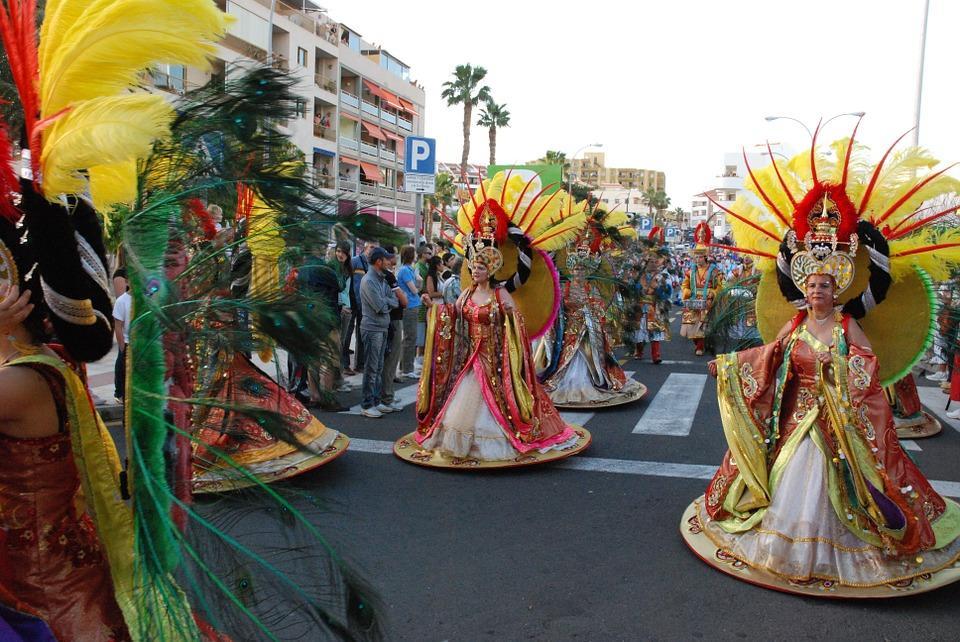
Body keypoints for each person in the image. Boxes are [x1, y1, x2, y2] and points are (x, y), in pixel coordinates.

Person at [684, 125, 960, 596]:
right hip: (796, 419)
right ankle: (786, 546)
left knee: (844, 485)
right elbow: (771, 354)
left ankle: (842, 552)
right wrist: (728, 366)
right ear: (804, 291)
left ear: (837, 291)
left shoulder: (848, 324)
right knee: (789, 477)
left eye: (825, 287)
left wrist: (839, 377)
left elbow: (866, 369)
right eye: (811, 286)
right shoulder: (795, 325)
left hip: (838, 423)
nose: (817, 292)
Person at [359, 246, 401, 418]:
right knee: (372, 367)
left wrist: (387, 301)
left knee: (379, 367)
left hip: (382, 328)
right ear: (378, 261)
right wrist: (387, 301)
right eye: (386, 259)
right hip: (372, 328)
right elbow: (380, 306)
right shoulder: (369, 280)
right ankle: (367, 404)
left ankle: (376, 401)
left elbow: (395, 301)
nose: (389, 262)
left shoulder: (381, 280)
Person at [681, 224, 722, 356]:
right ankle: (698, 343)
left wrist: (713, 292)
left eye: (699, 256)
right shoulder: (690, 272)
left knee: (703, 326)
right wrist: (686, 292)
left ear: (705, 257)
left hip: (706, 302)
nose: (697, 259)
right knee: (691, 327)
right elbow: (684, 286)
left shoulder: (714, 271)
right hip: (693, 301)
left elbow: (720, 286)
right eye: (695, 257)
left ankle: (700, 346)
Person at [379, 245, 408, 411]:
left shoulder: (380, 275)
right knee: (390, 360)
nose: (394, 258)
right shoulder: (388, 276)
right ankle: (387, 397)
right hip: (392, 320)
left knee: (386, 361)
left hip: (387, 320)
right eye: (392, 255)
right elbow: (403, 301)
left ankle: (385, 395)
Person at [349, 239, 378, 371]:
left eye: (375, 248)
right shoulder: (355, 261)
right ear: (365, 248)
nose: (373, 250)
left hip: (365, 306)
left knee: (362, 335)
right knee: (348, 335)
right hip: (352, 303)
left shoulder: (373, 265)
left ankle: (360, 364)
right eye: (371, 247)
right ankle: (345, 364)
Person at [397, 244, 421, 378]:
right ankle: (407, 368)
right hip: (410, 306)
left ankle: (405, 365)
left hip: (413, 305)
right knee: (410, 337)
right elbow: (414, 289)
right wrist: (417, 283)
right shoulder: (405, 271)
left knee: (410, 337)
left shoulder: (409, 270)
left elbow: (418, 285)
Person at [112, 267, 131, 403]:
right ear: (127, 282)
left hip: (142, 343)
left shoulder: (146, 298)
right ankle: (120, 393)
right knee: (124, 369)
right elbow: (118, 326)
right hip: (128, 343)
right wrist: (122, 346)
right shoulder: (122, 301)